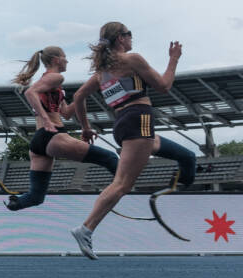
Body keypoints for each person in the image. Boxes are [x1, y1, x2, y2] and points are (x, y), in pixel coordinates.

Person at [68, 22, 197, 260]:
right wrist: (174, 59)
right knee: (122, 185)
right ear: (120, 39)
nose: (131, 39)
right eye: (129, 35)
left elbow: (78, 96)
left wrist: (86, 128)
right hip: (139, 120)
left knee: (186, 156)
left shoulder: (101, 72)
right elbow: (164, 86)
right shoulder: (131, 59)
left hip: (125, 123)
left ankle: (181, 184)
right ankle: (86, 228)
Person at [6, 46, 119, 211]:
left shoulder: (55, 85)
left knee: (36, 197)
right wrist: (46, 120)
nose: (67, 60)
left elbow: (65, 113)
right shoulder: (56, 77)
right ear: (56, 60)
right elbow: (30, 93)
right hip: (53, 136)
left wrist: (82, 96)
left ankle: (16, 203)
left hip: (39, 142)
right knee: (110, 158)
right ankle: (124, 186)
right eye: (65, 57)